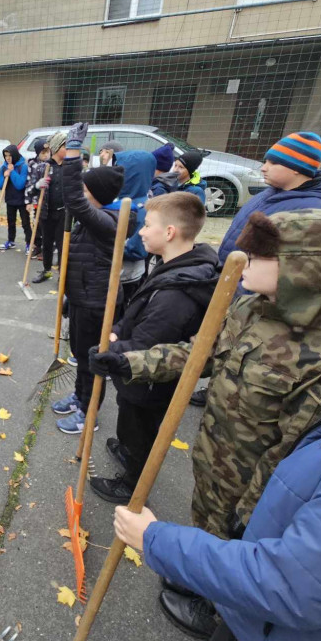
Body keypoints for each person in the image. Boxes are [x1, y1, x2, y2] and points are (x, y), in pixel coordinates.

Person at [114, 265, 321, 641]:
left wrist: (157, 541)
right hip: (218, 467)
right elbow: (205, 354)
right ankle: (206, 585)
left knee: (231, 547)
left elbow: (289, 582)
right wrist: (134, 363)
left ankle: (214, 607)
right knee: (211, 528)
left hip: (281, 624)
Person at [87, 192, 219, 503]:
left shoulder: (177, 295)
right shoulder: (175, 264)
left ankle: (133, 484)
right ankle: (128, 449)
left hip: (147, 383)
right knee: (127, 419)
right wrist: (118, 332)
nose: (141, 232)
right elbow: (138, 313)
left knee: (139, 429)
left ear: (170, 232)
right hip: (135, 373)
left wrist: (112, 352)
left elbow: (148, 349)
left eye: (147, 225)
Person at [39, 125, 133, 436]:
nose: (82, 196)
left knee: (93, 361)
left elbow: (74, 198)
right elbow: (80, 262)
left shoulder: (106, 222)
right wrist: (69, 296)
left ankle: (87, 411)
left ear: (95, 195)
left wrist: (73, 154)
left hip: (98, 304)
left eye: (86, 191)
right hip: (83, 299)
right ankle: (79, 397)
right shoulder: (92, 220)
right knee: (80, 354)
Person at [217, 132, 321, 264]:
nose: (264, 168)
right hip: (230, 275)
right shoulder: (270, 193)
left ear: (296, 168)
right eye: (265, 161)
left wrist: (241, 284)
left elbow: (292, 267)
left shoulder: (313, 210)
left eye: (273, 163)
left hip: (251, 282)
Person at [31, 126, 83, 283]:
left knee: (63, 244)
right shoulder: (42, 167)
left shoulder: (69, 167)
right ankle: (46, 270)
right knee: (47, 243)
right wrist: (37, 185)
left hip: (65, 213)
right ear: (55, 148)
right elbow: (29, 190)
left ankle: (62, 273)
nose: (67, 149)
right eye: (64, 146)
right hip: (46, 213)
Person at [115, 150, 157, 305]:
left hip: (126, 276)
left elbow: (138, 249)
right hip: (114, 271)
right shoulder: (121, 199)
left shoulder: (142, 208)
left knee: (119, 313)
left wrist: (105, 246)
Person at [0, 143, 30, 252]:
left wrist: (12, 172)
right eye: (6, 155)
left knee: (25, 223)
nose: (7, 158)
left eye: (9, 155)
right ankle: (11, 241)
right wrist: (5, 174)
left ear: (14, 155)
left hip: (22, 200)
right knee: (11, 222)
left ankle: (29, 244)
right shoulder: (3, 167)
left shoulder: (23, 166)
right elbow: (0, 185)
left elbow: (20, 184)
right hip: (10, 199)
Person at [25, 141, 51, 260]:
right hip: (36, 200)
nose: (46, 155)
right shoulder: (32, 164)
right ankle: (38, 246)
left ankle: (47, 248)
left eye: (48, 152)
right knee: (36, 224)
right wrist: (28, 201)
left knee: (46, 226)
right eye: (43, 153)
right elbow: (29, 182)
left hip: (48, 201)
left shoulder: (51, 164)